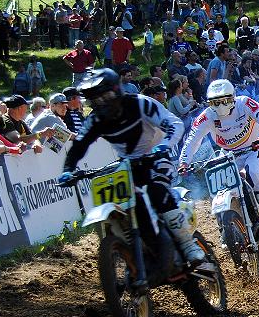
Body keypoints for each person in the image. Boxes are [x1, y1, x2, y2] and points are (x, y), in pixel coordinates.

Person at [56, 68, 205, 265]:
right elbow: (79, 146)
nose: (102, 103)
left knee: (157, 191)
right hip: (128, 164)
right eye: (96, 100)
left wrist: (163, 145)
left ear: (116, 91)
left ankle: (188, 244)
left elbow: (174, 123)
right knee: (124, 203)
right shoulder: (95, 119)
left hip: (156, 156)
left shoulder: (140, 103)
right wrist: (68, 170)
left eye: (105, 97)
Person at [177, 79, 259, 232]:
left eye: (224, 101)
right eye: (215, 102)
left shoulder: (244, 103)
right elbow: (192, 139)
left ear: (233, 97)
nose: (220, 106)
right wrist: (184, 162)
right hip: (228, 154)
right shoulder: (207, 116)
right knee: (218, 187)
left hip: (253, 149)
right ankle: (224, 228)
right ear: (209, 102)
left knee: (254, 172)